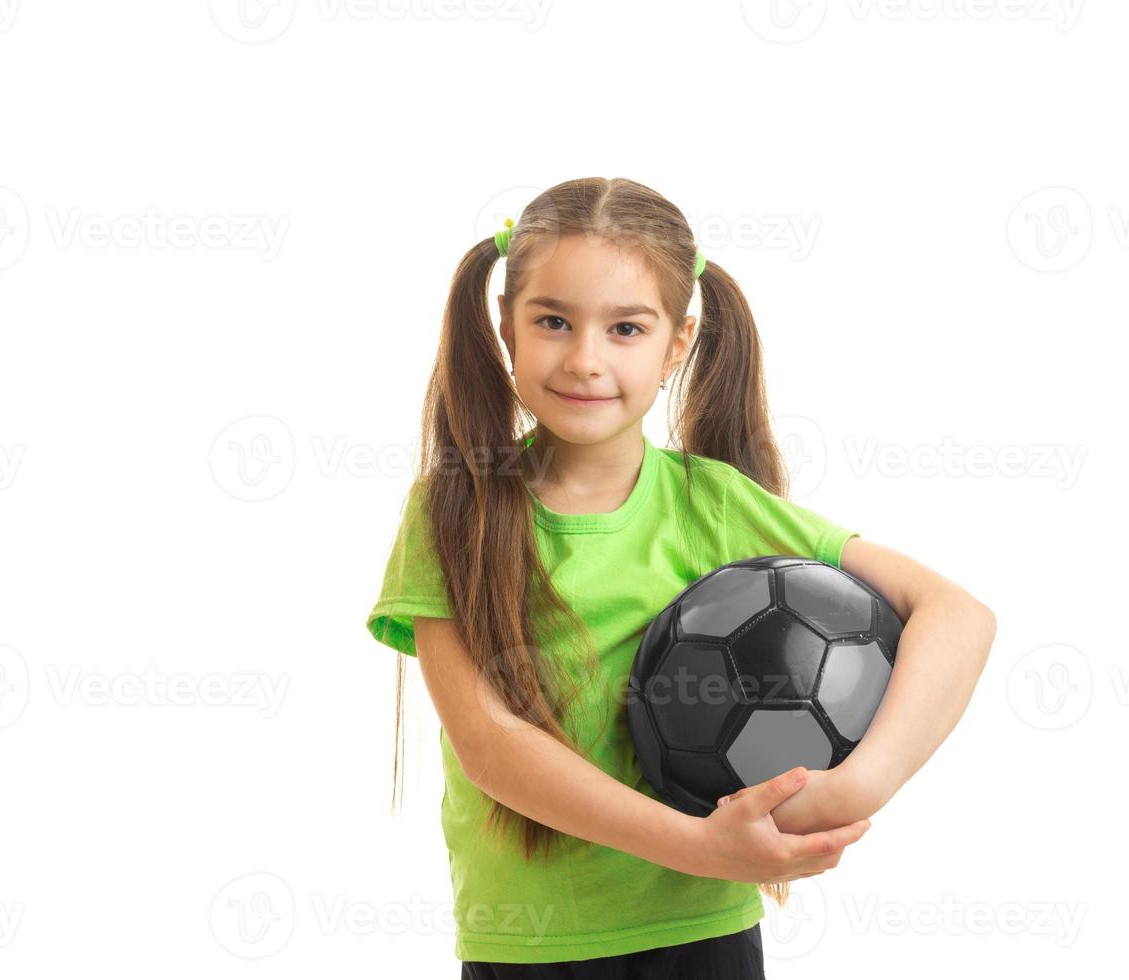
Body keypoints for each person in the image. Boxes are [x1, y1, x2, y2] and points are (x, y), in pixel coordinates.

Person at [364, 177, 997, 977]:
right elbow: (492, 744)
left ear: (676, 344)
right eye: (553, 321)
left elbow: (956, 614)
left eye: (625, 328)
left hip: (704, 937)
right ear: (505, 329)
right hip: (528, 944)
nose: (585, 358)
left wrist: (860, 785)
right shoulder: (451, 513)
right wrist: (701, 845)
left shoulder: (714, 504)